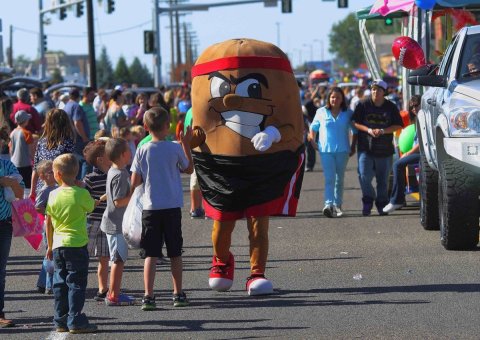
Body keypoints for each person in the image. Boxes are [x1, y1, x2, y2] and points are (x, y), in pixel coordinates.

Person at [130, 106, 193, 311]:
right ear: (168, 126)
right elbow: (188, 168)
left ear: (146, 127)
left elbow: (135, 181)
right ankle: (178, 293)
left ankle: (148, 295)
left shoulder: (142, 149)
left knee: (151, 254)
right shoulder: (175, 148)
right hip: (172, 205)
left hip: (150, 206)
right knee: (175, 252)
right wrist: (186, 146)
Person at [45, 153, 96, 334]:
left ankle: (60, 319)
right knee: (76, 283)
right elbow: (91, 207)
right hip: (77, 243)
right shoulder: (81, 193)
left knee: (60, 282)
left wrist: (50, 246)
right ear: (76, 173)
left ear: (57, 174)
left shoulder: (52, 195)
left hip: (58, 244)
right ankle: (75, 319)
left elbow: (48, 222)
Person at [352, 79, 404, 216]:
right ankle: (368, 200)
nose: (376, 92)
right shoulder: (363, 104)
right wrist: (368, 130)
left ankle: (382, 203)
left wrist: (383, 131)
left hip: (385, 150)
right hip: (365, 148)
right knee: (363, 176)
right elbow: (355, 123)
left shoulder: (391, 107)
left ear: (384, 92)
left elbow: (398, 125)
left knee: (383, 180)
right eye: (374, 89)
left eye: (379, 89)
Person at [309, 87, 358, 218]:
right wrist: (313, 141)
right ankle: (328, 204)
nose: (334, 99)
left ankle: (338, 205)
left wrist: (353, 146)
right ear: (328, 98)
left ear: (342, 99)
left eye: (337, 97)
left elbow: (355, 131)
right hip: (325, 150)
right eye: (332, 97)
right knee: (330, 178)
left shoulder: (348, 113)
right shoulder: (321, 112)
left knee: (339, 179)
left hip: (343, 150)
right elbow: (313, 128)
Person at [101, 138, 134, 306]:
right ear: (122, 155)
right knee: (118, 260)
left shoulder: (114, 170)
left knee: (118, 259)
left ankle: (115, 292)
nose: (131, 152)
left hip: (114, 222)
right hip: (116, 224)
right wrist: (134, 195)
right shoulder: (120, 175)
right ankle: (113, 295)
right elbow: (118, 201)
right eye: (128, 149)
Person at [383, 95, 422, 214]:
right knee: (398, 165)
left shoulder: (424, 118)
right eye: (412, 107)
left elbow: (422, 143)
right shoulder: (415, 119)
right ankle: (397, 199)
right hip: (413, 151)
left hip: (424, 154)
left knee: (397, 165)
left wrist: (408, 153)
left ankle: (397, 200)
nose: (414, 108)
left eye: (416, 105)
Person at [83, 140, 111, 301]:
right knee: (83, 255)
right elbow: (84, 200)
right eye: (108, 154)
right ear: (100, 159)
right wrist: (96, 201)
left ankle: (103, 288)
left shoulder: (113, 174)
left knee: (104, 257)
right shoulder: (90, 178)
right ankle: (79, 284)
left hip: (107, 221)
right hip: (91, 220)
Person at [0, 152, 24, 328]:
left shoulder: (6, 165)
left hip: (4, 225)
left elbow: (20, 193)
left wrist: (12, 182)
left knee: (0, 272)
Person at [30, 109, 75, 200]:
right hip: (59, 188)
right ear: (65, 123)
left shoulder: (41, 142)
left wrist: (32, 191)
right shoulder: (67, 142)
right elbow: (69, 168)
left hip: (41, 188)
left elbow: (35, 168)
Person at [35, 160, 57, 295]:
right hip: (49, 226)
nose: (54, 174)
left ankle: (42, 283)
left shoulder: (56, 187)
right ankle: (49, 285)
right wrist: (49, 212)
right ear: (42, 176)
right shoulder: (45, 190)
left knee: (51, 254)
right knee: (50, 254)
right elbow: (38, 206)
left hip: (56, 225)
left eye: (55, 171)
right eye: (50, 172)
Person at [63, 88, 91, 179]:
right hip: (78, 139)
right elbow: (77, 122)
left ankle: (77, 181)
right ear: (78, 96)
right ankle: (84, 183)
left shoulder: (66, 106)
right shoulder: (76, 106)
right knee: (86, 161)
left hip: (71, 138)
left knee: (76, 163)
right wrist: (84, 137)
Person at [9, 110, 35, 188]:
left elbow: (10, 149)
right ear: (25, 121)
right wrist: (34, 161)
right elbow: (31, 151)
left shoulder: (12, 133)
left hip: (14, 163)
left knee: (17, 186)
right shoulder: (27, 133)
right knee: (27, 186)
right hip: (25, 164)